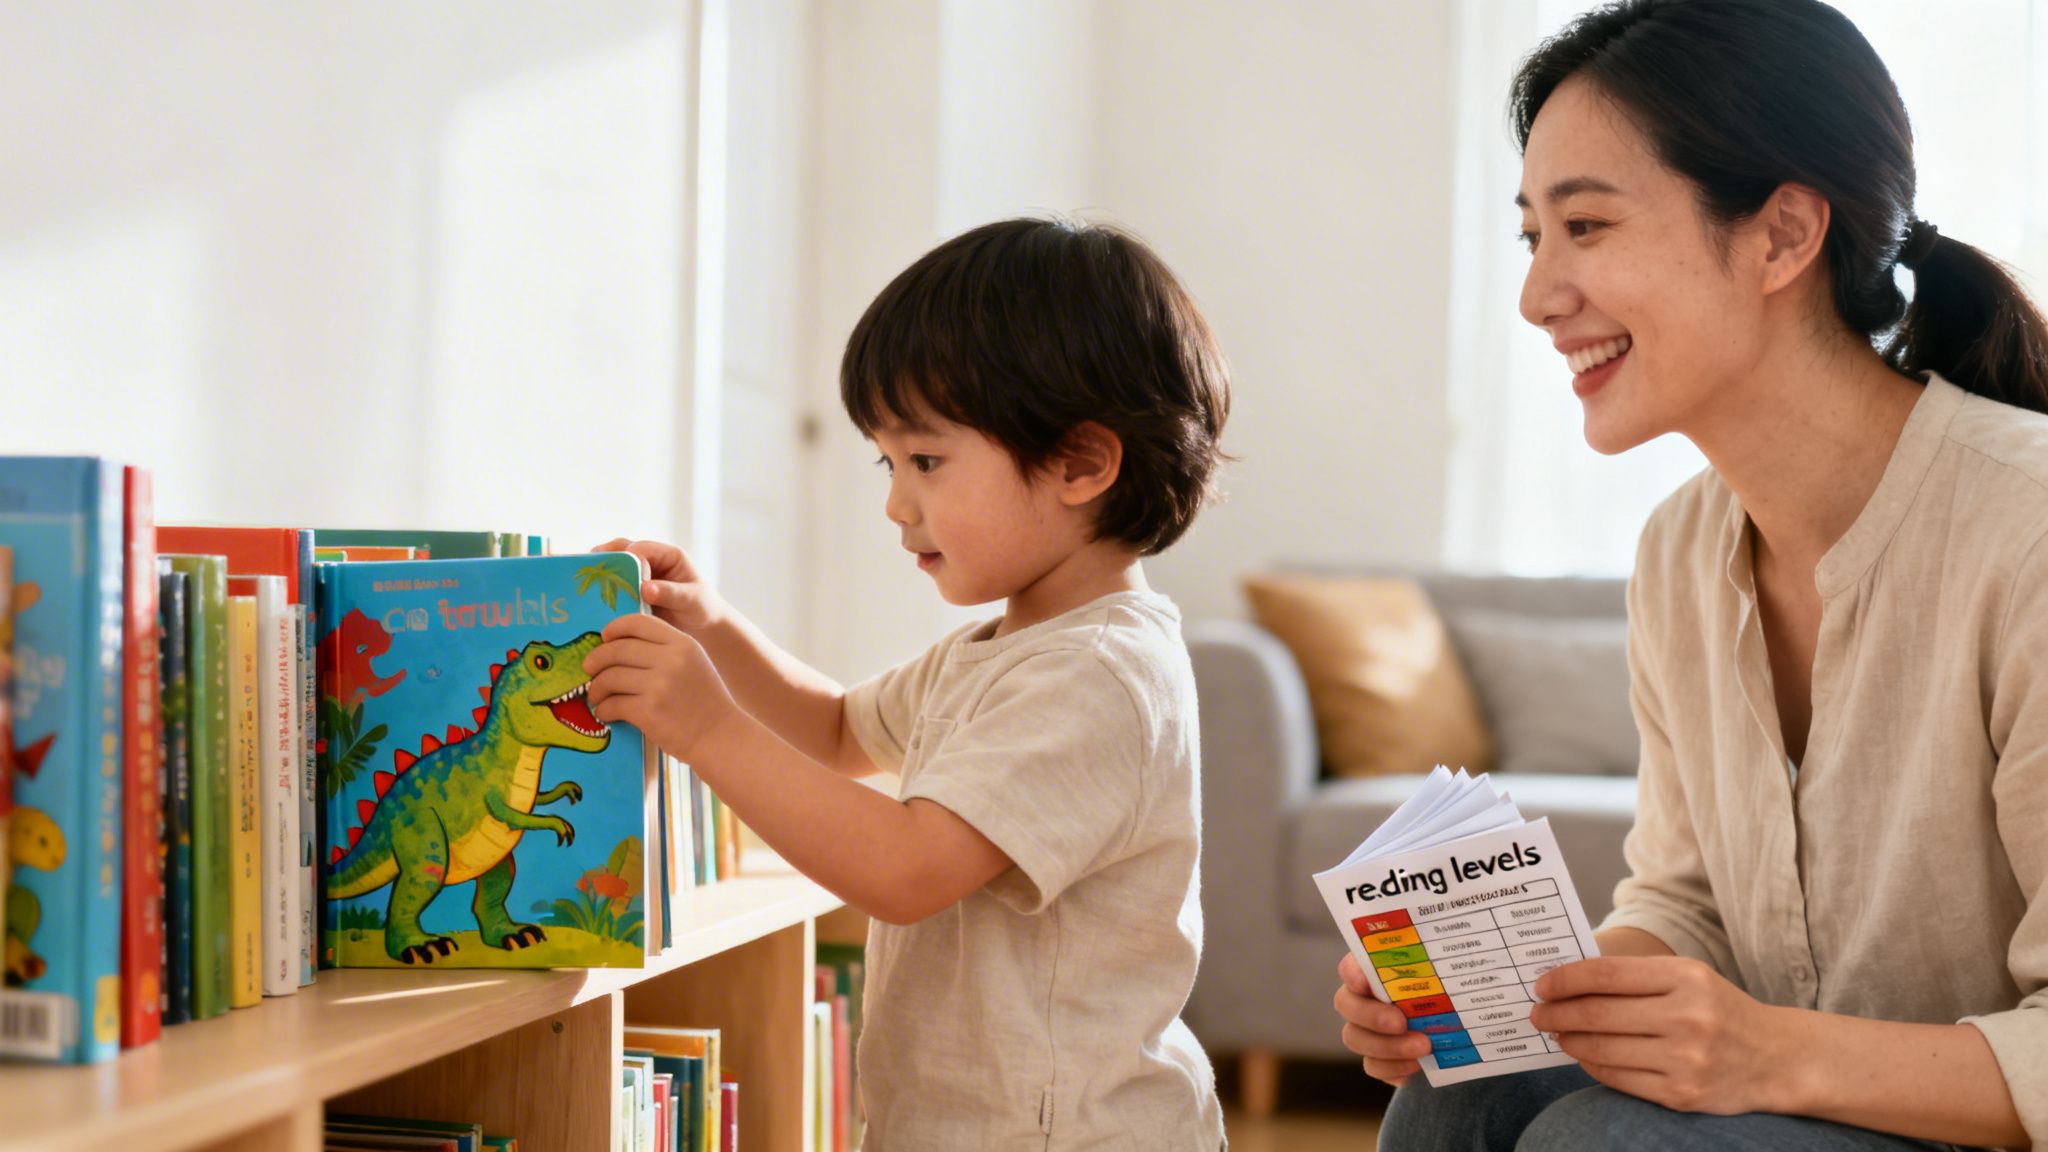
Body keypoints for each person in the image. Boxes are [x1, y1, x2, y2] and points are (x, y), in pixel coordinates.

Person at [1332, 1, 2048, 1148]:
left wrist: (1771, 1051)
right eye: (1532, 237)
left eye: (1587, 227)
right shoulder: (1679, 551)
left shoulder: (2028, 529)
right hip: (1809, 1112)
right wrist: (1522, 997)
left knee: (1600, 1140)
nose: (1536, 294)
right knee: (1455, 1093)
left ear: (1779, 236)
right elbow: (1685, 906)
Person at [584, 218, 1230, 1149]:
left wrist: (707, 727)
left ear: (1081, 463)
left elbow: (904, 868)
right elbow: (840, 731)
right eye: (889, 462)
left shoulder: (1097, 675)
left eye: (927, 461)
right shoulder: (1005, 646)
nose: (897, 501)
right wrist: (714, 627)